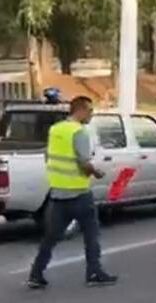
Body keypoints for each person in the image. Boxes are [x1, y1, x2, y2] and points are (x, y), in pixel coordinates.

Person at [28, 96, 117, 289]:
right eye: (90, 111)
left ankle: (36, 274)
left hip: (57, 195)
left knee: (50, 237)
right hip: (79, 194)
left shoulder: (55, 129)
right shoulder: (80, 132)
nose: (92, 115)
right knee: (91, 235)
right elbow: (83, 163)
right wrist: (97, 172)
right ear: (81, 110)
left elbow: (48, 155)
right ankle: (94, 273)